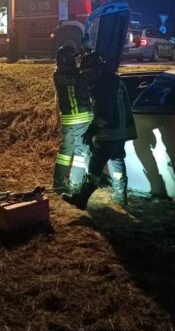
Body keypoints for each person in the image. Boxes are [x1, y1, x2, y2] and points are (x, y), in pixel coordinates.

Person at [62, 51, 137, 210]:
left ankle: (82, 198)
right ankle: (120, 196)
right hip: (122, 130)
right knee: (117, 160)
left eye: (89, 74)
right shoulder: (113, 79)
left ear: (97, 70)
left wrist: (91, 131)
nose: (88, 78)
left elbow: (104, 113)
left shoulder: (103, 84)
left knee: (95, 164)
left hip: (109, 132)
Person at [52, 45, 93, 193]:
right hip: (82, 119)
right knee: (81, 152)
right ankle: (75, 183)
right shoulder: (79, 75)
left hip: (68, 120)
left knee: (65, 152)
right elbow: (86, 77)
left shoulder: (57, 75)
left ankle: (58, 182)